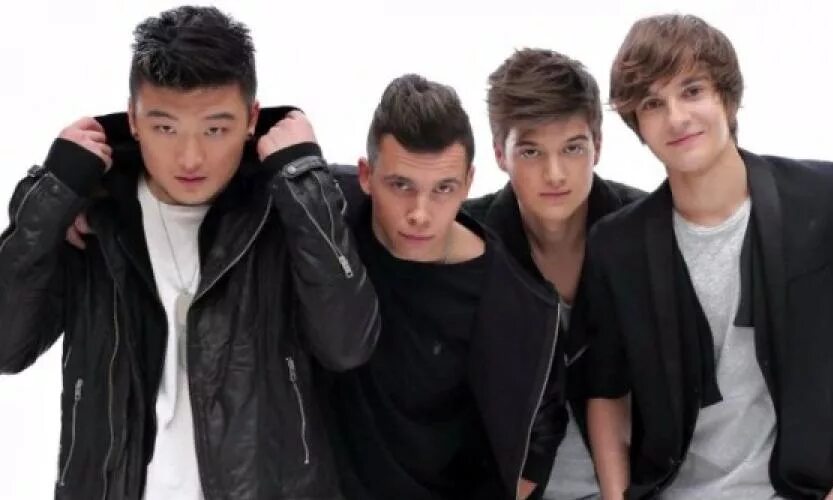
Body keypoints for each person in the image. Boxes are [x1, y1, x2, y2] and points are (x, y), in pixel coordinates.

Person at [0, 6, 379, 499]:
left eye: (215, 129)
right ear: (133, 119)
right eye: (166, 128)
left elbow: (347, 344)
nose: (191, 157)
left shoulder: (285, 209)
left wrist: (304, 182)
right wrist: (51, 196)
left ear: (252, 119)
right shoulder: (95, 213)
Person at [583, 13, 833, 499]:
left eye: (692, 91)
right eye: (653, 103)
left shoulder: (821, 197)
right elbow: (605, 391)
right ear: (638, 124)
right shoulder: (616, 244)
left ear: (726, 97)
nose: (676, 118)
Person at [324, 73, 566, 500]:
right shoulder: (326, 220)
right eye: (401, 185)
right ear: (366, 175)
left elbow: (535, 448)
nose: (420, 213)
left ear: (468, 183)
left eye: (443, 189)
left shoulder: (519, 306)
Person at [464, 48, 644, 499]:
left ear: (598, 146)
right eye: (531, 151)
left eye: (573, 148)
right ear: (499, 154)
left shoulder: (646, 231)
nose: (555, 173)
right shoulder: (469, 242)